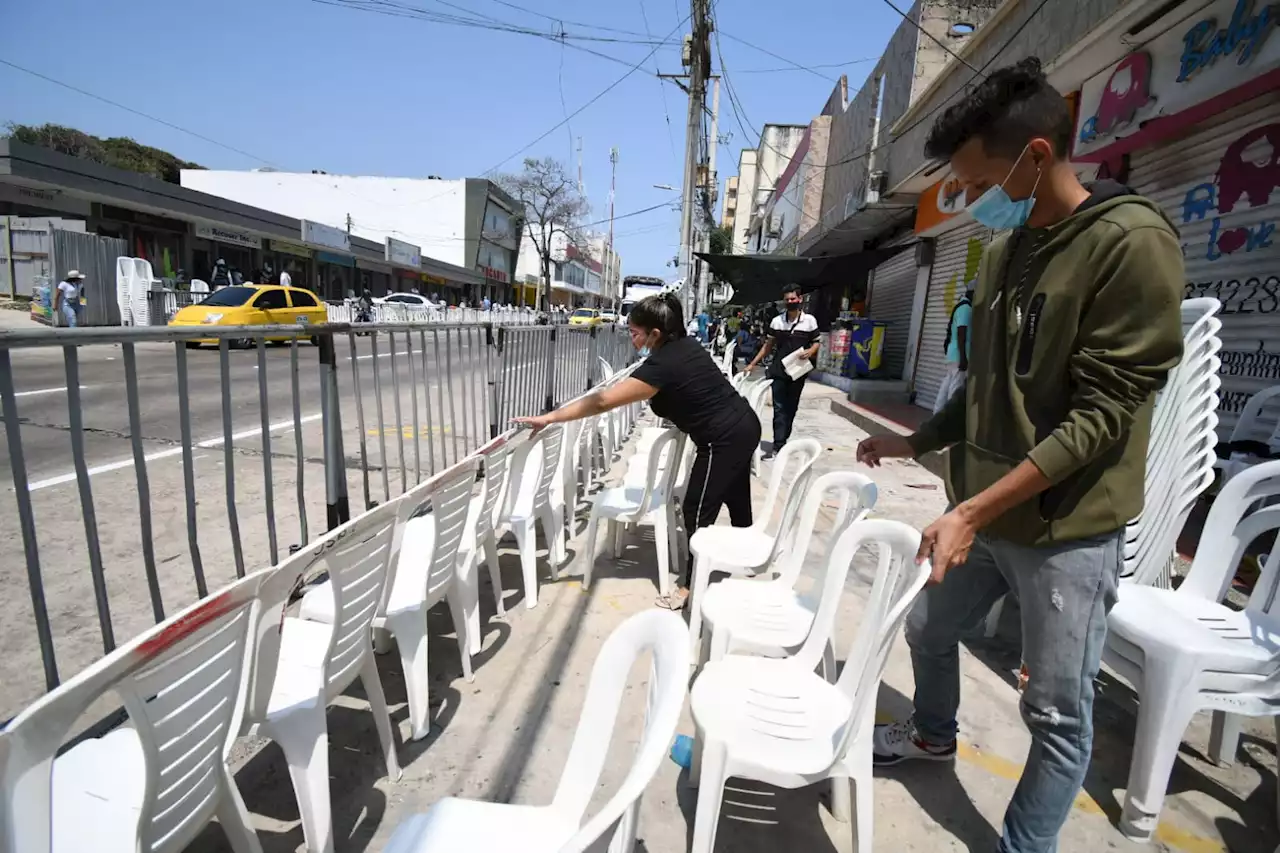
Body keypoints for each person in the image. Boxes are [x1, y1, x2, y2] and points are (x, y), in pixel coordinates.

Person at [854, 58, 1184, 853]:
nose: (968, 198)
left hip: (1066, 531)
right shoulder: (1004, 250)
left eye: (977, 180)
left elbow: (1103, 417)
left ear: (1037, 156)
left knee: (1057, 713)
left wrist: (969, 509)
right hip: (987, 514)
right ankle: (934, 734)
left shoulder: (1130, 245)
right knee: (929, 627)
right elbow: (982, 385)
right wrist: (916, 442)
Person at [514, 292, 760, 610]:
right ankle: (748, 555)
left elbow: (602, 401)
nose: (630, 336)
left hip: (723, 439)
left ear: (654, 334)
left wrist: (549, 417)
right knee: (737, 498)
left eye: (635, 331)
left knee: (696, 511)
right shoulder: (683, 347)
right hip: (744, 425)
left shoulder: (663, 365)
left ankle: (690, 585)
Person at [745, 285, 819, 458]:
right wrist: (753, 364)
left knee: (791, 408)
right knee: (779, 409)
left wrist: (811, 351)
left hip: (798, 371)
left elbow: (816, 341)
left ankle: (783, 439)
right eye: (787, 300)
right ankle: (778, 445)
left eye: (793, 299)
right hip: (779, 370)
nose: (790, 302)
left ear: (799, 299)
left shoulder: (809, 321)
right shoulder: (777, 321)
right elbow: (768, 346)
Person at [935, 282, 974, 413]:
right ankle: (949, 418)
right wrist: (963, 357)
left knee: (947, 384)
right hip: (959, 355)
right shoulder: (966, 309)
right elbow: (961, 332)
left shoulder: (960, 306)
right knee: (955, 388)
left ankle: (938, 413)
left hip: (953, 354)